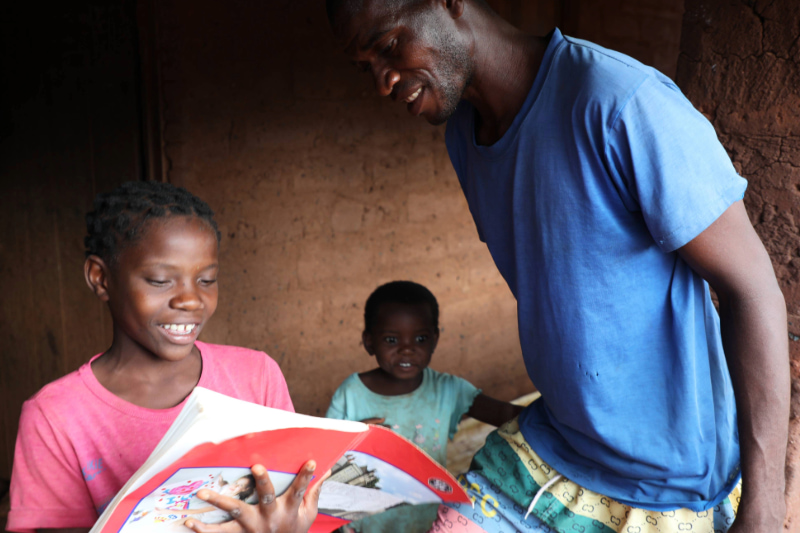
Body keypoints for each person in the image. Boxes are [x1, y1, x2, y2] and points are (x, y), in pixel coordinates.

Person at [326, 1, 790, 532]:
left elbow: (751, 291)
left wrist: (766, 508)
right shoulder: (466, 134)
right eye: (366, 67)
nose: (383, 82)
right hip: (556, 443)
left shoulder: (617, 102)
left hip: (671, 477)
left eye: (388, 46)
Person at [7, 181, 326, 533]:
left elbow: (291, 501)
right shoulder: (55, 414)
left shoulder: (256, 376)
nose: (190, 300)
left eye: (207, 280)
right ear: (100, 278)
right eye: (160, 281)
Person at [326, 280, 523, 532]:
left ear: (434, 340)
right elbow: (325, 457)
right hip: (367, 524)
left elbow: (506, 414)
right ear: (369, 342)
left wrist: (562, 419)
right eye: (391, 339)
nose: (407, 350)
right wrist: (352, 435)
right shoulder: (351, 393)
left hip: (426, 519)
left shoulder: (447, 389)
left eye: (420, 338)